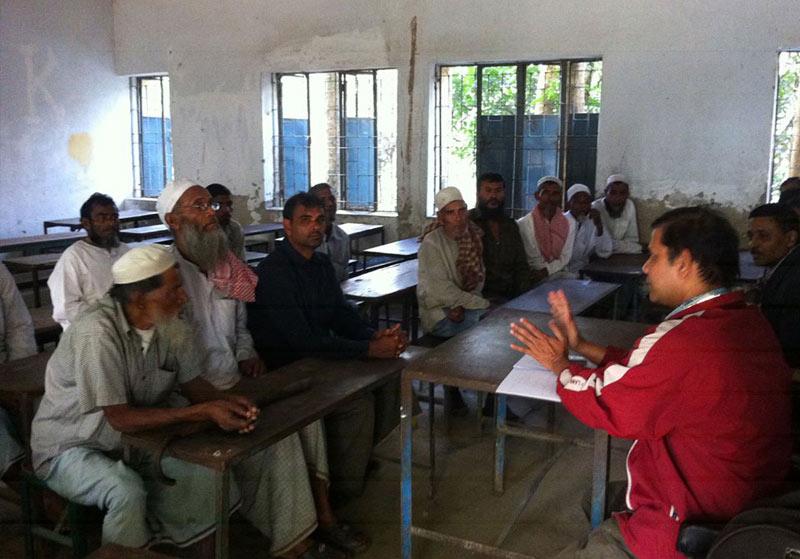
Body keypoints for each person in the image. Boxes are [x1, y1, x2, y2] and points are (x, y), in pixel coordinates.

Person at [510, 206, 791, 559]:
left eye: (654, 257)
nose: (645, 268)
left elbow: (609, 402)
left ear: (684, 263)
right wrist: (580, 345)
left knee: (604, 516)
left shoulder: (686, 340)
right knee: (599, 496)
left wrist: (560, 365)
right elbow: (648, 375)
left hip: (694, 517)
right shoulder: (745, 319)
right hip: (743, 493)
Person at [159, 180, 364, 557]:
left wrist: (247, 354)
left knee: (308, 420)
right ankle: (295, 540)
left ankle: (324, 516)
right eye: (200, 207)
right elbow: (171, 357)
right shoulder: (165, 275)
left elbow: (239, 328)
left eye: (211, 206)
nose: (212, 214)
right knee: (280, 438)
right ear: (173, 221)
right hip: (191, 392)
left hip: (235, 378)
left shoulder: (225, 263)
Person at [248, 192, 406, 500]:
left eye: (320, 220)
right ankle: (342, 493)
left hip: (320, 356)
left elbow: (340, 313)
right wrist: (367, 350)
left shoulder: (320, 264)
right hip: (288, 367)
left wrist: (372, 335)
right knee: (357, 403)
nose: (315, 227)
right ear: (287, 226)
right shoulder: (273, 272)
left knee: (389, 376)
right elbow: (302, 341)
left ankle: (351, 460)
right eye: (305, 221)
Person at [48, 193, 130, 330]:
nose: (111, 223)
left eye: (114, 217)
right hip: (88, 333)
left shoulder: (125, 251)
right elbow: (66, 307)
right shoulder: (74, 256)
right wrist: (109, 318)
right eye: (102, 218)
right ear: (86, 223)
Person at [418, 186, 489, 337]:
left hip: (466, 306)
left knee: (491, 322)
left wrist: (464, 304)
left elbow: (478, 279)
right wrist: (482, 304)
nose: (458, 218)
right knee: (487, 322)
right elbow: (441, 292)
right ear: (441, 217)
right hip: (440, 313)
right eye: (450, 213)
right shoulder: (431, 243)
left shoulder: (472, 237)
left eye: (461, 210)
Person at [748, 203, 800, 368]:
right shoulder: (782, 269)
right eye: (751, 236)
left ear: (790, 238)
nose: (752, 245)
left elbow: (790, 347)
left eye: (763, 236)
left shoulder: (795, 279)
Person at [0, 262, 37, 485]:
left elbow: (19, 325)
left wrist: (16, 376)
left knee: (44, 405)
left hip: (6, 368)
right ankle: (38, 500)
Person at [468, 173, 531, 301]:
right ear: (478, 193)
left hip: (510, 296)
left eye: (498, 191)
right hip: (479, 297)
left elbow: (521, 265)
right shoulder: (467, 223)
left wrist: (524, 298)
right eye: (488, 191)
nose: (493, 196)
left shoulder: (511, 225)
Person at [517, 176, 576, 281]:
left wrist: (547, 271)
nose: (550, 198)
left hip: (560, 274)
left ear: (560, 197)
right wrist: (543, 273)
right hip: (535, 276)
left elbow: (565, 257)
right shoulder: (525, 223)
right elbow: (533, 259)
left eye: (555, 194)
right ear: (537, 196)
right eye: (545, 193)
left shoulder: (569, 222)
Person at [564, 183, 612, 276]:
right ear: (569, 204)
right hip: (561, 273)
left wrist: (599, 225)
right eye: (578, 202)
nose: (583, 206)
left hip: (583, 272)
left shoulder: (593, 221)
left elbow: (605, 251)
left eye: (586, 202)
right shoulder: (562, 221)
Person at [309, 183, 351, 282]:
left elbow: (343, 275)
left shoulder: (342, 237)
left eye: (332, 199)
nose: (330, 204)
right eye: (322, 200)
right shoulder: (305, 238)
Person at [591, 174, 642, 254]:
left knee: (637, 248)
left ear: (628, 194)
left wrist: (611, 246)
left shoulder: (629, 205)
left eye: (622, 193)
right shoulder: (596, 207)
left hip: (619, 253)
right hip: (598, 254)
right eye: (613, 193)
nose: (618, 197)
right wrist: (614, 246)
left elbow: (633, 240)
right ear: (605, 192)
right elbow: (596, 243)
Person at [206, 183, 246, 260]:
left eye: (229, 205)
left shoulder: (234, 229)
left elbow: (240, 262)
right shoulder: (195, 231)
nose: (226, 210)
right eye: (218, 206)